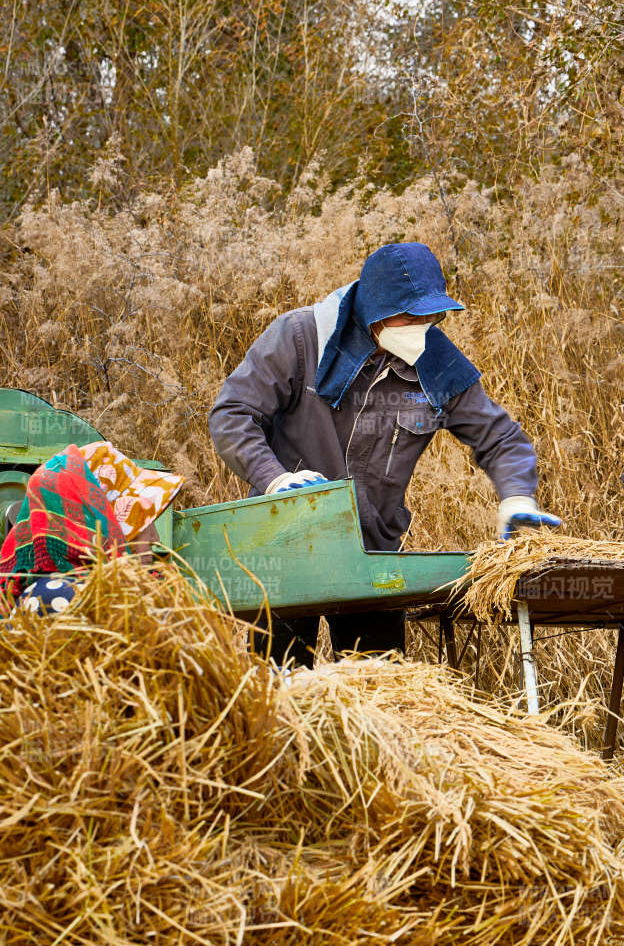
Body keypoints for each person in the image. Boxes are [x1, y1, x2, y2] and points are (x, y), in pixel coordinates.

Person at [209, 241, 559, 662]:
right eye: (411, 316)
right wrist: (274, 477)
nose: (424, 325)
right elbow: (232, 413)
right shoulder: (301, 338)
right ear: (373, 311)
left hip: (372, 556)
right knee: (280, 684)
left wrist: (517, 494)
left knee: (380, 687)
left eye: (432, 315)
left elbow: (499, 437)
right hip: (283, 544)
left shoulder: (436, 361)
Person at [0, 441, 183, 614]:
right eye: (139, 519)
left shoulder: (103, 591)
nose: (155, 537)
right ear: (99, 527)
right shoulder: (56, 597)